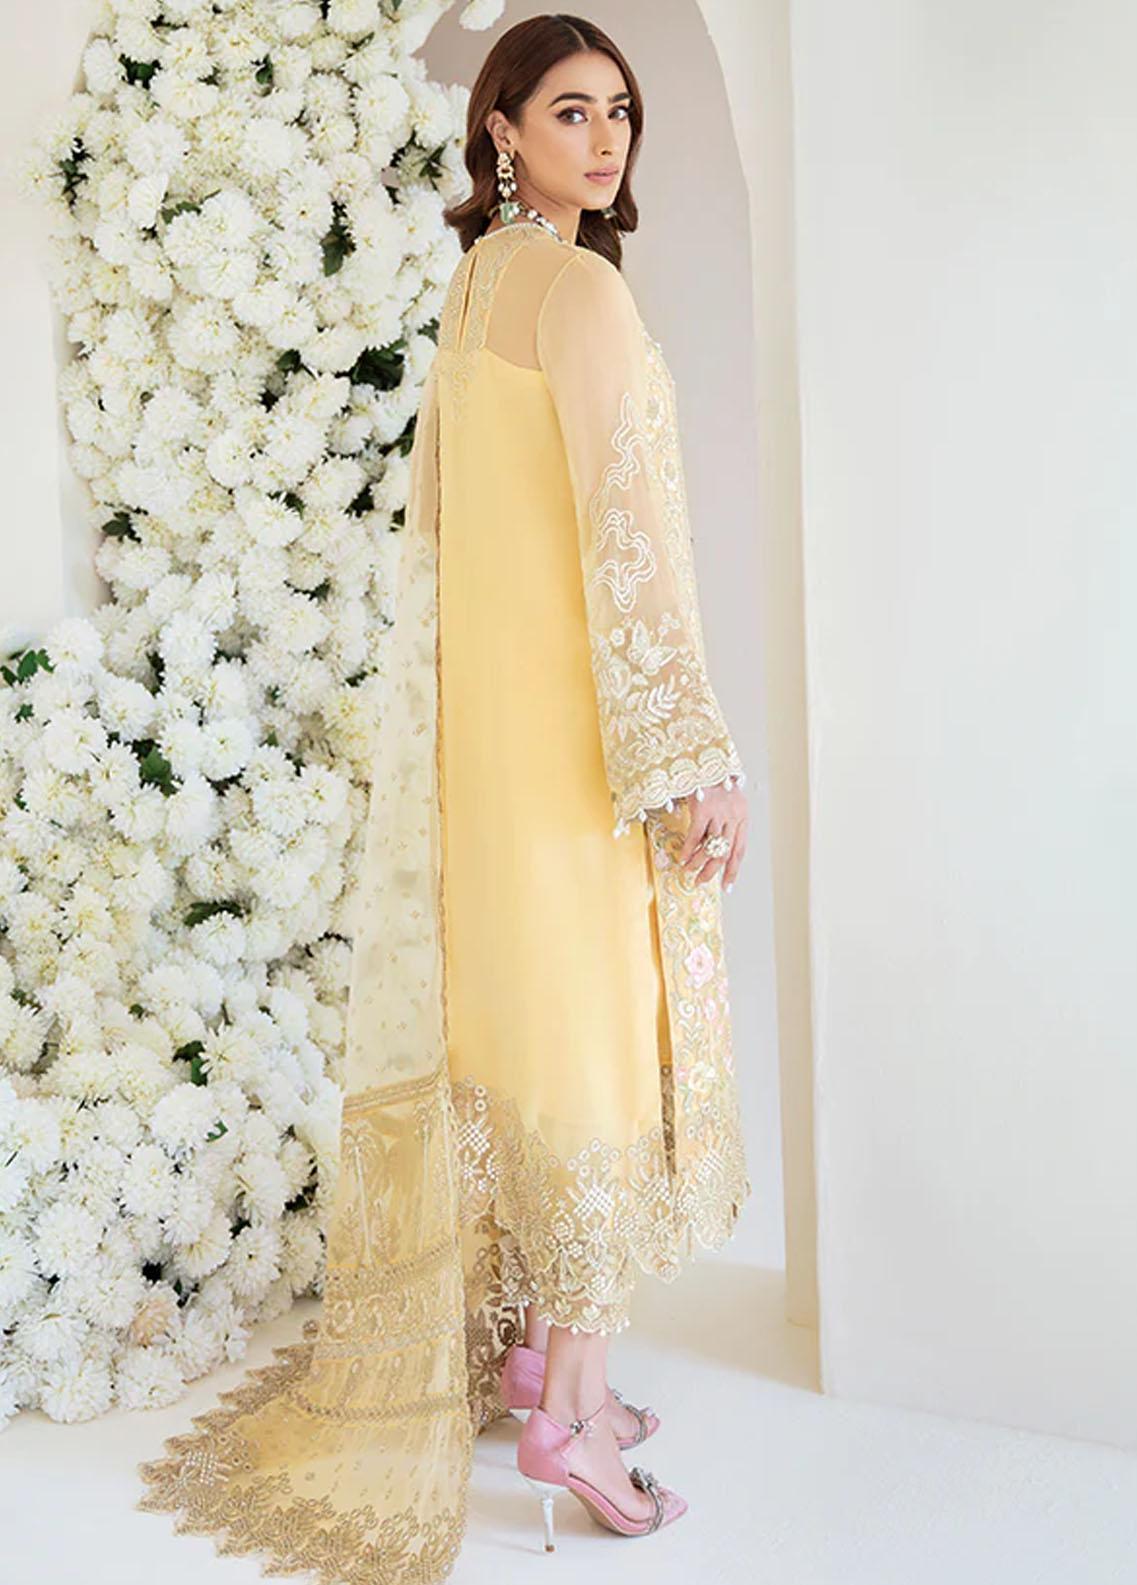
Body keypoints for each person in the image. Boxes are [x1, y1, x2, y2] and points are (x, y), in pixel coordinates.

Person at [137, 12, 751, 1578]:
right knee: (597, 1053)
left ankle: (537, 1356)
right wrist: (688, 749)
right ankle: (576, 1414)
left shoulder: (478, 281)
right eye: (570, 112)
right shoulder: (581, 291)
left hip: (492, 756)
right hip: (580, 756)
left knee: (529, 1046)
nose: (603, 139)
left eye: (618, 112)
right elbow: (626, 534)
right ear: (500, 130)